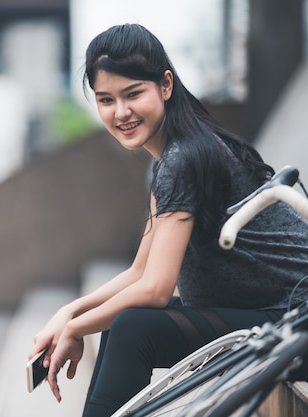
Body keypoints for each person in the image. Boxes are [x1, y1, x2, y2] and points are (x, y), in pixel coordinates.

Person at [28, 23, 308, 416]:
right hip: (276, 313)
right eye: (106, 99)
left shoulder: (184, 158)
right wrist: (70, 313)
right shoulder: (176, 152)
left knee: (133, 328)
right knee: (124, 322)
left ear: (165, 85)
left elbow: (157, 288)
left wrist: (75, 327)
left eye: (133, 93)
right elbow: (140, 270)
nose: (120, 112)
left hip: (295, 320)